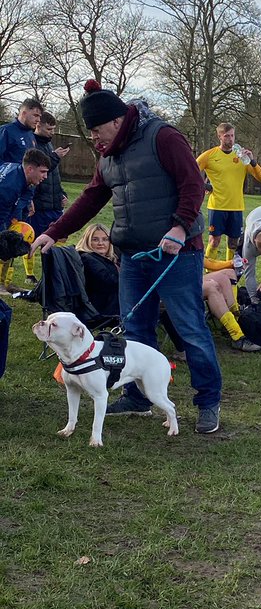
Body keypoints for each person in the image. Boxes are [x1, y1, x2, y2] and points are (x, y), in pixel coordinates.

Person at [31, 83, 222, 434]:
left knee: (189, 326)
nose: (94, 138)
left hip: (178, 251)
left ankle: (208, 401)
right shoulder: (108, 156)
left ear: (117, 121)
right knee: (135, 329)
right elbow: (90, 198)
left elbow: (193, 184)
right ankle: (137, 396)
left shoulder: (163, 137)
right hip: (133, 254)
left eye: (97, 130)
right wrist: (55, 231)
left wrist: (180, 228)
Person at [196, 123, 261, 263]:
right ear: (219, 137)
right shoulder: (210, 155)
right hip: (217, 206)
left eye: (232, 135)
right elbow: (190, 171)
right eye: (227, 136)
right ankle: (209, 272)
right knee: (214, 241)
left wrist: (252, 161)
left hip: (236, 206)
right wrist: (205, 186)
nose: (230, 139)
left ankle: (230, 273)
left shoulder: (241, 157)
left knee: (234, 243)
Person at [0, 149, 50, 292]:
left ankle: (4, 284)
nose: (45, 176)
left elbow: (27, 193)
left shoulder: (20, 173)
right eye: (42, 171)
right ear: (29, 169)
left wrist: (25, 204)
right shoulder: (8, 187)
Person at [31, 112, 69, 238]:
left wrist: (62, 194)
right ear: (38, 126)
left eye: (53, 129)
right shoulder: (31, 144)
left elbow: (54, 176)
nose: (52, 132)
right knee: (31, 241)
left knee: (54, 243)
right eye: (49, 129)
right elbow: (40, 170)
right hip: (39, 207)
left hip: (54, 206)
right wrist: (55, 157)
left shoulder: (48, 144)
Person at [76, 224, 120, 319]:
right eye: (95, 239)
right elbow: (111, 282)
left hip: (111, 303)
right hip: (102, 308)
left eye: (105, 239)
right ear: (87, 241)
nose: (101, 243)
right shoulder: (87, 258)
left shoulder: (107, 259)